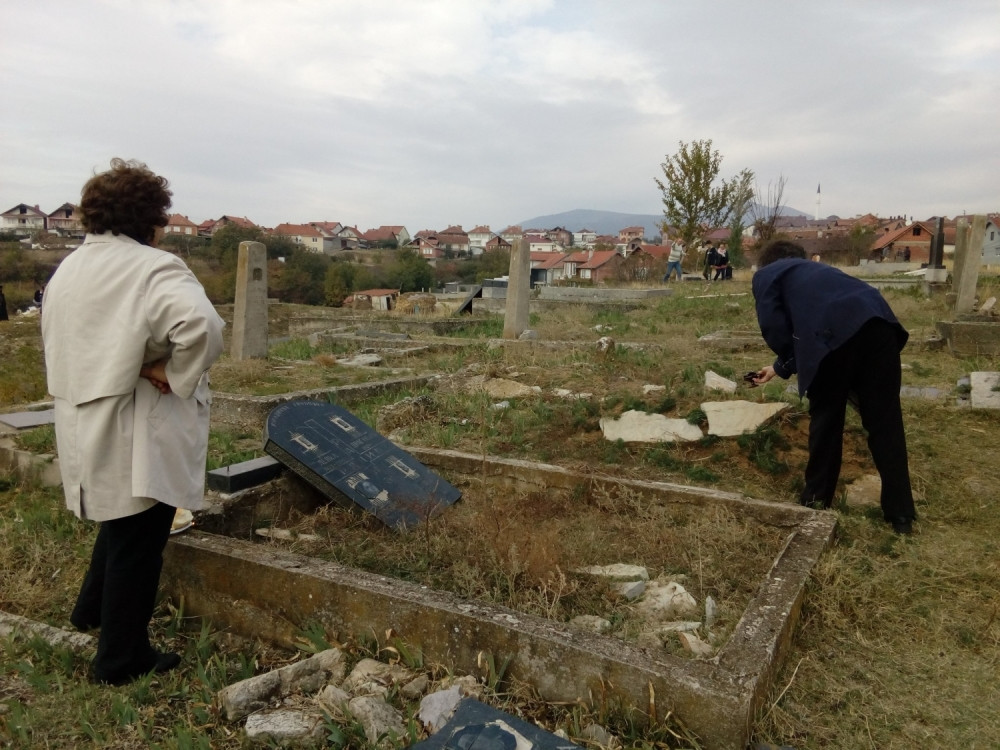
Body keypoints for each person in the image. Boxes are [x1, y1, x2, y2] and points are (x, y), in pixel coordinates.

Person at [41, 158, 225, 685]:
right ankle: (121, 659)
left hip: (80, 411)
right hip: (135, 418)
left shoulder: (70, 268)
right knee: (140, 536)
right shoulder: (153, 267)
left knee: (118, 520)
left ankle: (91, 611)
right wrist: (170, 370)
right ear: (149, 217)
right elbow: (203, 328)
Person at [749, 240, 916, 534]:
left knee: (827, 420)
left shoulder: (767, 274)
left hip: (833, 338)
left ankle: (816, 499)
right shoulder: (818, 272)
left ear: (769, 262)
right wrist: (780, 368)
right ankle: (900, 514)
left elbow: (774, 327)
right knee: (885, 423)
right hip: (881, 327)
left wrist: (789, 355)